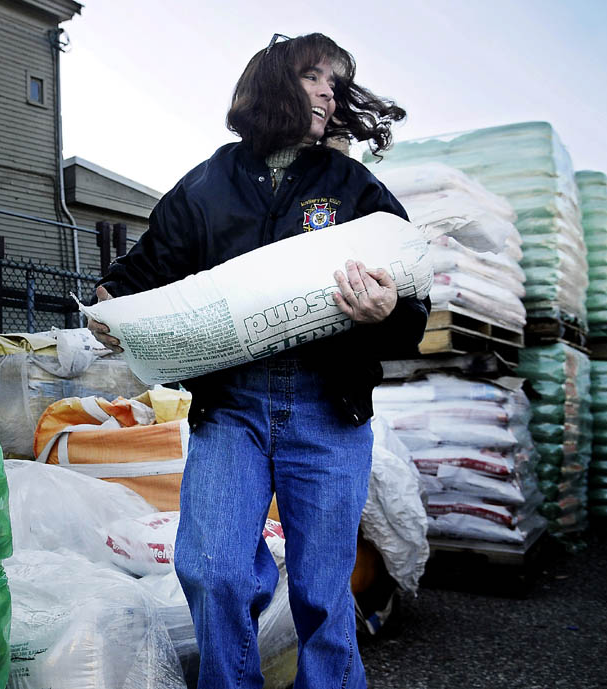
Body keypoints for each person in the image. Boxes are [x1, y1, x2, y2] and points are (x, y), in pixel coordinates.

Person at [89, 32, 430, 689]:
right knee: (212, 566)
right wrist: (111, 303)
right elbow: (144, 268)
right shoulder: (208, 184)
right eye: (313, 75)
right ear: (272, 83)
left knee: (323, 593)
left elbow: (414, 307)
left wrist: (388, 308)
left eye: (336, 79)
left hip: (328, 408)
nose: (329, 90)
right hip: (231, 408)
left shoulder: (353, 186)